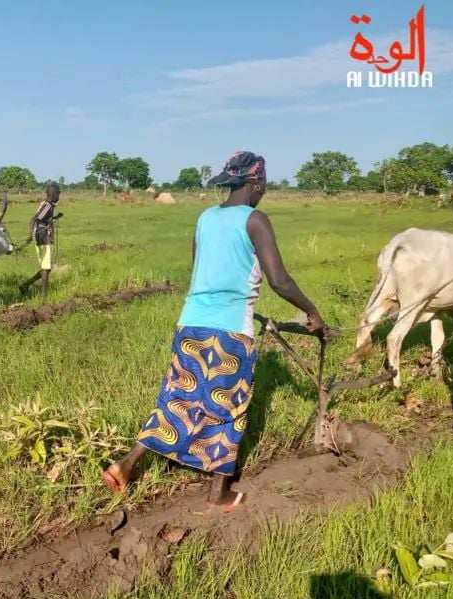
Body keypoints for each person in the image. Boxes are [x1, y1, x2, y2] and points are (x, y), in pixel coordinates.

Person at [102, 151, 327, 504]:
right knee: (229, 408)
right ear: (256, 182)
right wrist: (313, 313)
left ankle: (126, 464)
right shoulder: (256, 220)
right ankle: (218, 493)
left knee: (178, 397)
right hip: (230, 332)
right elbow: (280, 281)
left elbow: (201, 271)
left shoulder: (205, 218)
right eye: (264, 183)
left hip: (191, 323)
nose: (264, 189)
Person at [19, 182, 64, 297]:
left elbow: (43, 219)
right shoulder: (48, 205)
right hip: (42, 236)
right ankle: (44, 297)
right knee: (46, 268)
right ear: (53, 194)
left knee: (46, 268)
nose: (59, 196)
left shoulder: (47, 205)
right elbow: (35, 219)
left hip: (41, 235)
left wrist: (54, 218)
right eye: (58, 194)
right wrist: (30, 235)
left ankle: (25, 285)